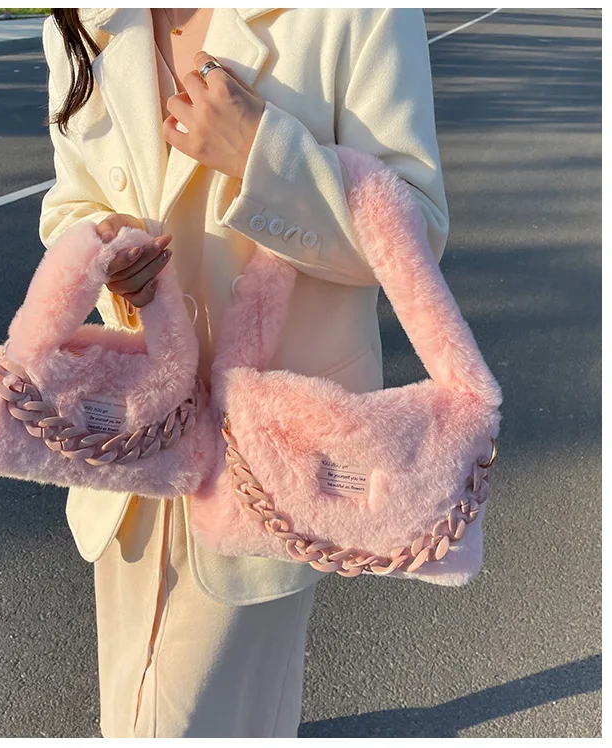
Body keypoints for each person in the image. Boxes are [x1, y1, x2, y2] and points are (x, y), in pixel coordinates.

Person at [39, 7, 448, 738]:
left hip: (268, 454)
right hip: (132, 441)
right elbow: (68, 201)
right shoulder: (84, 19)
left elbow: (418, 227)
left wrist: (264, 154)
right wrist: (100, 250)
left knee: (189, 723)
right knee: (131, 713)